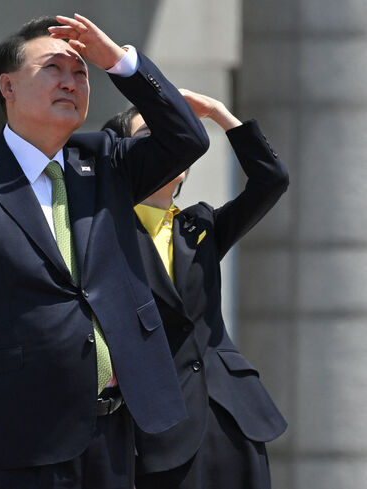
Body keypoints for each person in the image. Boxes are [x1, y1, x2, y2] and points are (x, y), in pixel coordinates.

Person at [0, 13, 209, 489]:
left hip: (113, 429)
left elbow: (188, 137)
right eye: (53, 70)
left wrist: (118, 61)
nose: (70, 82)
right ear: (8, 86)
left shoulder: (108, 162)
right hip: (14, 432)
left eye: (80, 73)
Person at [101, 91, 288, 489]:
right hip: (159, 430)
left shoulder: (199, 225)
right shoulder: (99, 233)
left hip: (234, 416)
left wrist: (219, 114)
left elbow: (271, 179)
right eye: (151, 133)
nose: (168, 142)